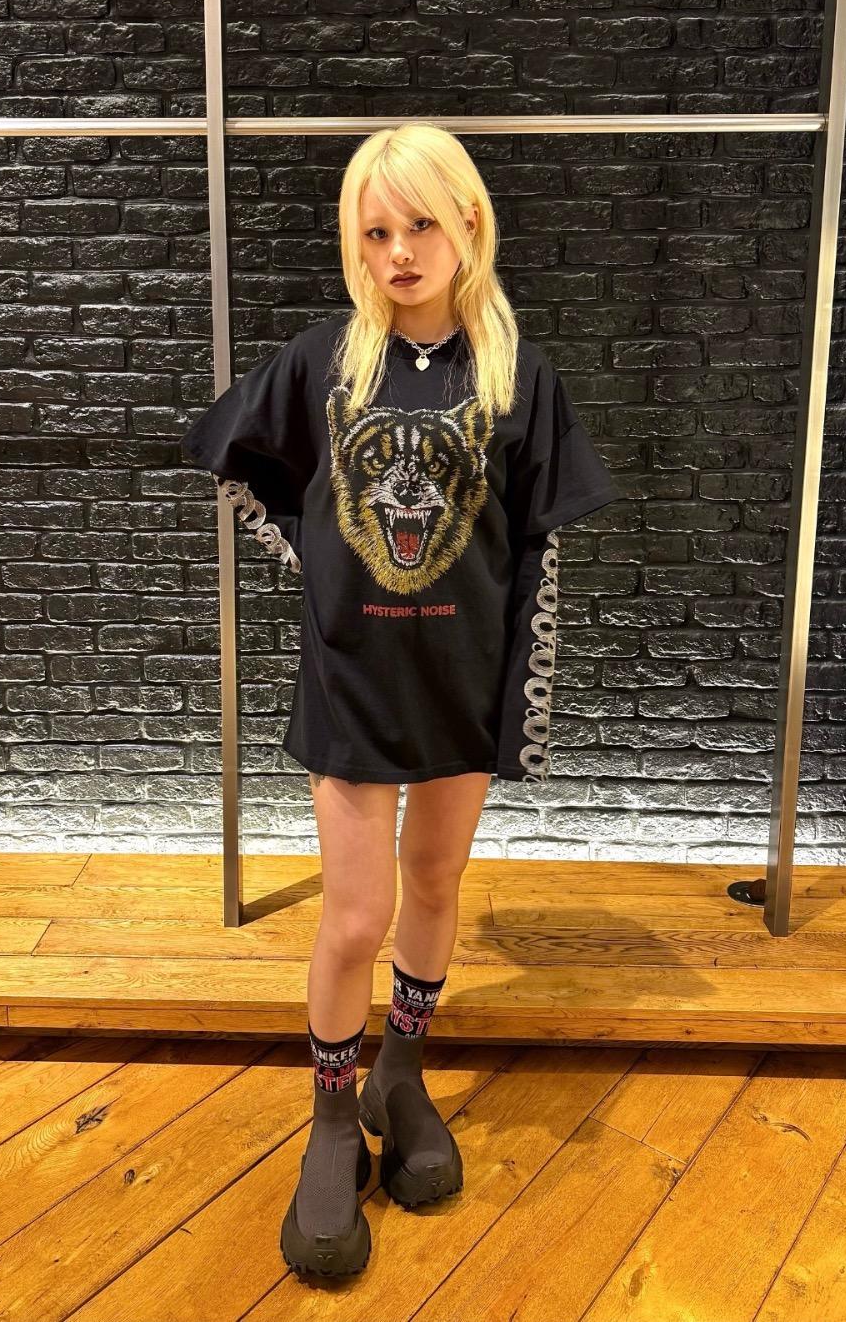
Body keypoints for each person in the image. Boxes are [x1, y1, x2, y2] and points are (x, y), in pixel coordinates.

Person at [181, 122, 619, 1278]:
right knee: (354, 913)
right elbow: (231, 457)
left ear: (467, 221)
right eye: (375, 232)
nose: (398, 252)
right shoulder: (326, 363)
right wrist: (314, 566)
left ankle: (400, 1073)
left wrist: (524, 700)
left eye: (420, 224)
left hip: (462, 684)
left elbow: (541, 553)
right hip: (354, 684)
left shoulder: (518, 376)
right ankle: (332, 1120)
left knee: (434, 884)